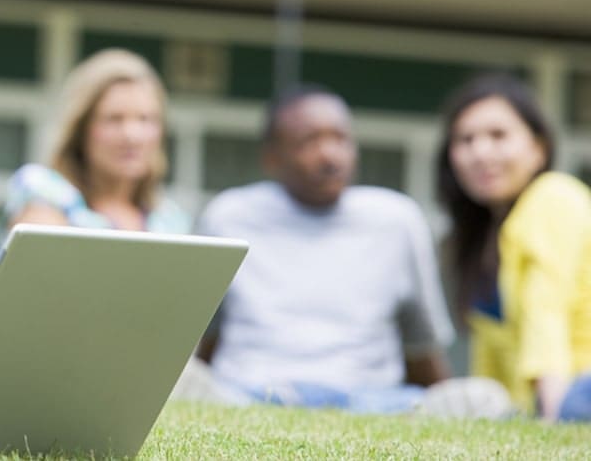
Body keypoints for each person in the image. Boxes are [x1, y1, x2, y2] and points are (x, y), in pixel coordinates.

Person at [177, 84, 510, 416]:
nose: (330, 155)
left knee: (484, 398)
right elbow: (200, 338)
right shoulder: (229, 216)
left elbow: (421, 349)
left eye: (340, 139)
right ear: (272, 158)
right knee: (181, 382)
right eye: (310, 141)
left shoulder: (397, 219)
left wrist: (448, 404)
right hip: (246, 394)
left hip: (372, 401)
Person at [437, 73, 591, 421]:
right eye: (465, 140)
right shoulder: (483, 237)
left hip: (576, 389)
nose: (480, 151)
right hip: (538, 402)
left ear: (539, 148)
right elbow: (489, 369)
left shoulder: (553, 196)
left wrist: (553, 420)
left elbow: (546, 310)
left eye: (498, 135)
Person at [5, 48, 188, 234]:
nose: (132, 136)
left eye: (145, 119)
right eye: (114, 119)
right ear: (80, 128)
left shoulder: (169, 219)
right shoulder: (44, 192)